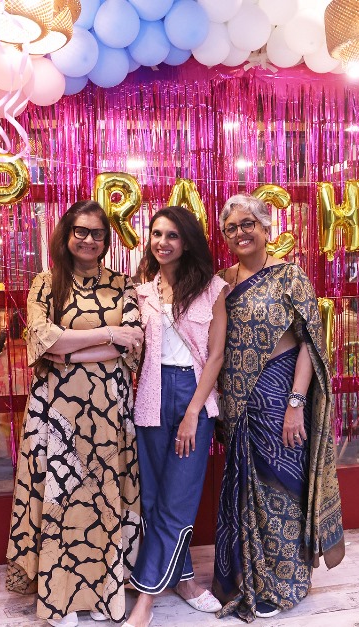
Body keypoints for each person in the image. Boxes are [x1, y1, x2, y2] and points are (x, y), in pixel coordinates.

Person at [6, 200, 144, 627]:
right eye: (80, 231)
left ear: (106, 239)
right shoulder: (46, 283)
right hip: (57, 414)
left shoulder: (122, 284)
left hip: (109, 412)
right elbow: (42, 339)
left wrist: (69, 349)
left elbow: (132, 343)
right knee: (62, 497)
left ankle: (104, 594)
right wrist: (107, 334)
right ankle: (59, 599)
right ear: (67, 234)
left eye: (97, 233)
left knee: (104, 497)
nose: (88, 239)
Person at [213, 194, 345, 621]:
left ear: (266, 228)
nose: (240, 233)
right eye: (231, 228)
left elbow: (310, 343)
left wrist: (295, 403)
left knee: (283, 487)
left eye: (247, 224)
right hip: (238, 404)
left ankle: (285, 583)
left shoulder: (290, 276)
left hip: (279, 398)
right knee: (245, 492)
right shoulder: (222, 282)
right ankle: (248, 578)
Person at [124, 207, 227, 627]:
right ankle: (184, 580)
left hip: (192, 393)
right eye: (156, 234)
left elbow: (216, 356)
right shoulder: (141, 292)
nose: (162, 242)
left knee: (177, 499)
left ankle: (146, 599)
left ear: (186, 242)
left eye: (172, 235)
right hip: (150, 394)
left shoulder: (212, 289)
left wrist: (193, 412)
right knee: (152, 499)